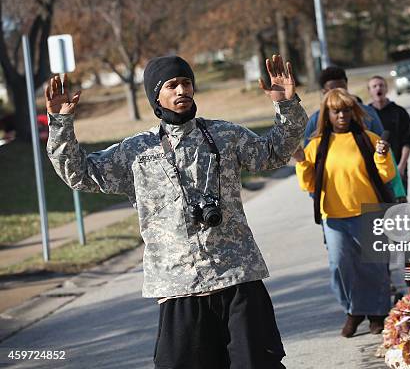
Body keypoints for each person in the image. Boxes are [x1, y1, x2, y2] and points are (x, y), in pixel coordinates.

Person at [45, 54, 308, 368]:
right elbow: (80, 174)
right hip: (179, 287)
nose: (181, 89)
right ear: (156, 95)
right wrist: (61, 125)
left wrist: (287, 106)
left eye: (186, 82)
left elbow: (275, 152)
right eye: (172, 84)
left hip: (238, 276)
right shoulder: (136, 151)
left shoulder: (225, 135)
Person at [294, 88, 396, 337]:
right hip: (334, 217)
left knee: (374, 266)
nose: (342, 115)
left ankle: (377, 315)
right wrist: (301, 161)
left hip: (369, 212)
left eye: (346, 110)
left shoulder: (368, 138)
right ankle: (354, 310)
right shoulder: (317, 145)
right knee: (340, 266)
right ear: (327, 114)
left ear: (353, 112)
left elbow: (387, 175)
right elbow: (308, 184)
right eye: (336, 111)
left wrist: (382, 156)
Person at [300, 66, 406, 200]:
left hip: (370, 194)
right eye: (333, 90)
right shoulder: (315, 120)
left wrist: (397, 190)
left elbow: (384, 152)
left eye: (342, 88)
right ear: (324, 91)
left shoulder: (368, 114)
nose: (342, 115)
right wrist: (316, 196)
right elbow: (310, 162)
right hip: (333, 203)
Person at [368, 75, 410, 190]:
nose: (378, 88)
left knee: (399, 205)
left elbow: (408, 141)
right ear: (369, 91)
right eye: (374, 86)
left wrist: (402, 165)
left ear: (387, 89)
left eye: (381, 85)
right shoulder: (366, 114)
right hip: (375, 170)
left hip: (397, 167)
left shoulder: (399, 112)